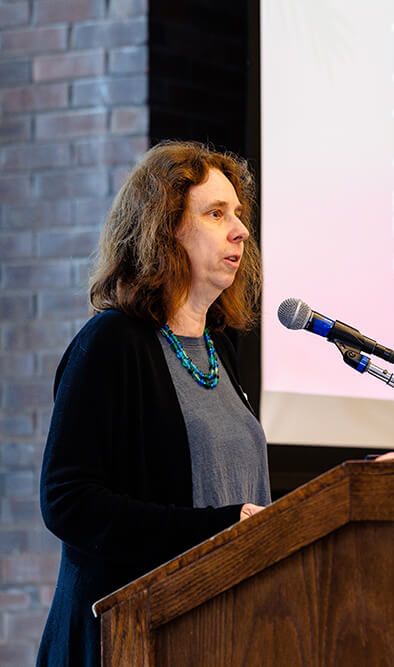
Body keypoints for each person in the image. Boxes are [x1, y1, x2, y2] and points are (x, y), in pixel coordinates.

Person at [36, 140, 271, 666]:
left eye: (238, 214)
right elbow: (68, 501)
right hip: (130, 640)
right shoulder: (111, 343)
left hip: (218, 632)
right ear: (165, 229)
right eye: (216, 213)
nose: (240, 230)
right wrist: (217, 529)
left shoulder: (218, 346)